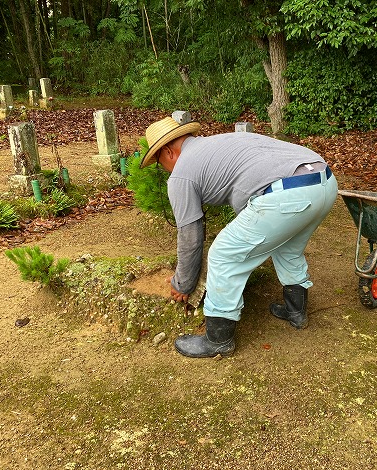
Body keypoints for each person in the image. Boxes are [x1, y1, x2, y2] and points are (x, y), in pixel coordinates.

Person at [140, 117, 338, 358]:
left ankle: (218, 341)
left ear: (168, 152)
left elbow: (190, 237)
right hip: (324, 181)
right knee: (287, 246)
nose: (164, 169)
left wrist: (182, 283)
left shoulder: (181, 174)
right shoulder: (216, 144)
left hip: (287, 194)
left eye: (160, 163)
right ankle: (296, 312)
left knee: (223, 255)